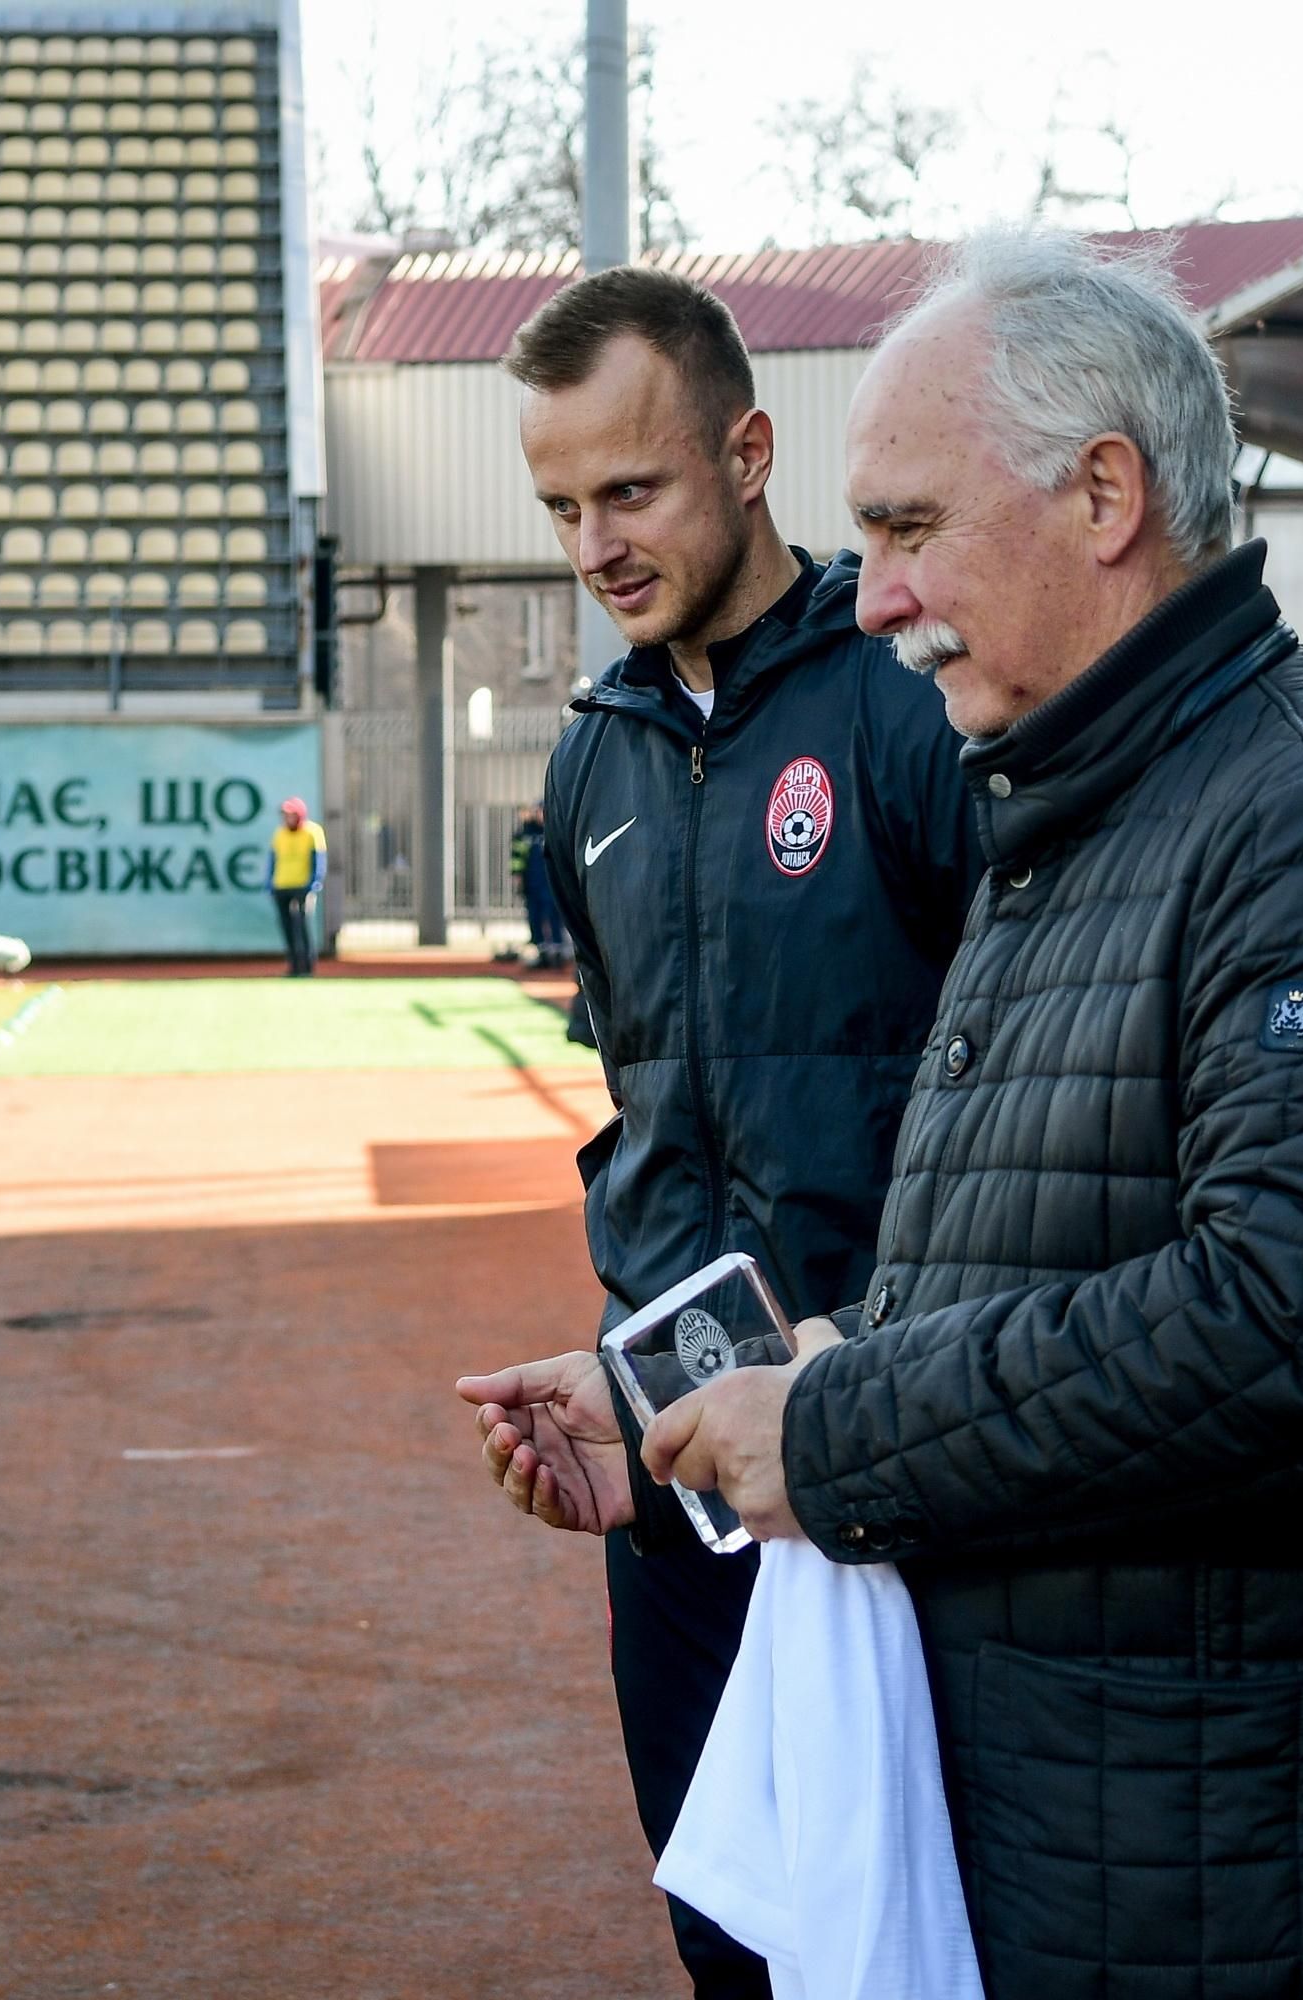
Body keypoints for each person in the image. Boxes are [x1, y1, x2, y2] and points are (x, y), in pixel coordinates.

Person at [633, 227, 1303, 1997]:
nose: (875, 597)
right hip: (1114, 1860)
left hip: (1267, 1907)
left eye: (910, 529)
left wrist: (833, 1441)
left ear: (1104, 496)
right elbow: (1037, 1272)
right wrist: (691, 1415)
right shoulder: (1085, 805)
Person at [452, 264, 972, 1999]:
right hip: (680, 1462)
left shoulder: (908, 708)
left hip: (889, 1439)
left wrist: (880, 1370)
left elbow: (1015, 1077)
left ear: (750, 454)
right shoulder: (590, 765)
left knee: (916, 1933)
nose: (594, 541)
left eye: (631, 489)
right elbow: (645, 1105)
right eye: (560, 506)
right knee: (732, 1934)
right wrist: (629, 1364)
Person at [268, 796, 325, 977]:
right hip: (282, 885)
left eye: (291, 814)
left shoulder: (312, 832)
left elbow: (319, 860)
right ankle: (293, 966)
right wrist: (269, 883)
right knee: (287, 927)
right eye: (285, 814)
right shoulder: (279, 833)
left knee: (301, 926)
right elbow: (273, 860)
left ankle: (306, 966)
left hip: (302, 886)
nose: (287, 818)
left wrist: (314, 883)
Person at [509, 805, 567, 967]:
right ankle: (540, 950)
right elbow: (517, 857)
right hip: (532, 884)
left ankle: (556, 950)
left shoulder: (555, 832)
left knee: (553, 916)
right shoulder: (525, 834)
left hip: (551, 884)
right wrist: (517, 874)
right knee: (534, 916)